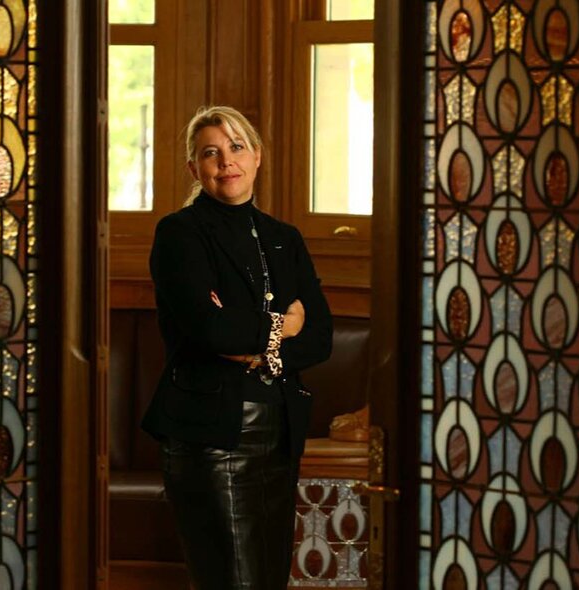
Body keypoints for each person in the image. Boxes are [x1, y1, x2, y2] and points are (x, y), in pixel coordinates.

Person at [141, 105, 333, 589]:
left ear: (257, 157)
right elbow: (212, 332)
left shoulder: (284, 238)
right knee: (232, 581)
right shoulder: (180, 234)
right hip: (210, 436)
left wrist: (255, 339)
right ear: (194, 169)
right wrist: (281, 327)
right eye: (211, 152)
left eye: (236, 147)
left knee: (269, 580)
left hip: (279, 429)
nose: (226, 161)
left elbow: (321, 336)